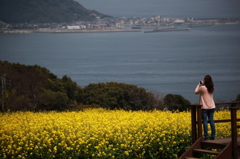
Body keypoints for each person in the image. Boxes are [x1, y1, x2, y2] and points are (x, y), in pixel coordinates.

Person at [195, 75, 216, 140]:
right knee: (211, 120)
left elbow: (196, 92)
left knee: (205, 121)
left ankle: (206, 135)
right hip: (212, 106)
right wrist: (205, 83)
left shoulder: (202, 88)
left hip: (204, 107)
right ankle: (213, 135)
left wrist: (199, 85)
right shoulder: (212, 87)